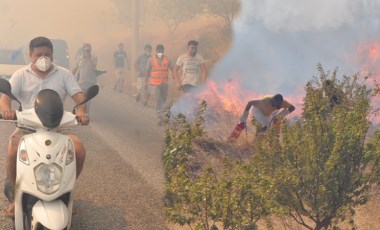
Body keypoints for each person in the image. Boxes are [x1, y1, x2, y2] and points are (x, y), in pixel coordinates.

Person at [0, 36, 89, 217]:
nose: (43, 58)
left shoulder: (64, 74)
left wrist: (81, 111)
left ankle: (68, 194)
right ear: (30, 55)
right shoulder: (20, 75)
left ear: (53, 55)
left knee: (79, 150)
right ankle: (15, 197)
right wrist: (6, 110)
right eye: (39, 54)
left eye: (47, 54)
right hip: (28, 126)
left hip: (59, 126)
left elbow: (79, 97)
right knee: (12, 149)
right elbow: (6, 98)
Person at [145, 44, 174, 125]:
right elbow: (147, 71)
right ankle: (159, 116)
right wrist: (145, 82)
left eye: (161, 51)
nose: (160, 52)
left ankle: (164, 115)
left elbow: (173, 68)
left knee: (163, 99)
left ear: (163, 51)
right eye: (158, 51)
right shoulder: (151, 59)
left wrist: (174, 74)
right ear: (156, 51)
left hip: (164, 83)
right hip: (154, 83)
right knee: (158, 99)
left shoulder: (167, 59)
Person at [72, 43, 97, 115]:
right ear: (83, 51)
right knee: (81, 98)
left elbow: (93, 67)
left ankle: (86, 114)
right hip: (81, 81)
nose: (87, 52)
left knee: (88, 100)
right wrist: (70, 76)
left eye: (88, 51)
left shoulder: (94, 57)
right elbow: (76, 67)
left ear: (90, 51)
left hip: (90, 82)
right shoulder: (80, 58)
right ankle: (80, 113)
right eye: (85, 51)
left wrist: (89, 58)